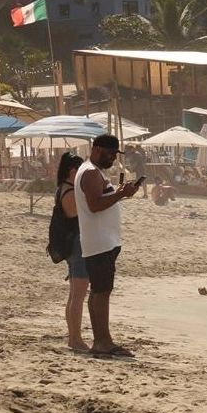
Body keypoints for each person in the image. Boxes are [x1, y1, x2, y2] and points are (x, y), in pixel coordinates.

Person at [75, 134, 142, 358]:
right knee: (102, 292)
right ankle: (103, 341)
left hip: (99, 241)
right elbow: (94, 205)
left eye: (115, 154)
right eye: (110, 153)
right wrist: (121, 193)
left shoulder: (91, 171)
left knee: (98, 291)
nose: (113, 157)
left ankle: (100, 341)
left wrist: (120, 194)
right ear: (97, 149)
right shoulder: (91, 173)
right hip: (100, 242)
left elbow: (100, 201)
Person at [55, 153, 89, 352]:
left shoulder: (66, 189)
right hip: (76, 244)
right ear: (72, 171)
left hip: (75, 243)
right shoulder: (68, 191)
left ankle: (74, 337)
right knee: (78, 295)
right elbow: (75, 213)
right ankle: (75, 338)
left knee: (75, 295)